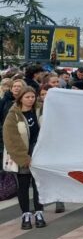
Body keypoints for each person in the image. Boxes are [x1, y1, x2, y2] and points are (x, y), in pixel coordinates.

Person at [3, 87, 45, 229]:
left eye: (33, 96)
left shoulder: (40, 110)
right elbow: (11, 139)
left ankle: (39, 212)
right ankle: (26, 214)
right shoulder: (13, 115)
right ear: (20, 98)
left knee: (38, 185)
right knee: (24, 186)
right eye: (27, 97)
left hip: (39, 153)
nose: (30, 99)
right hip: (22, 155)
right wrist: (24, 158)